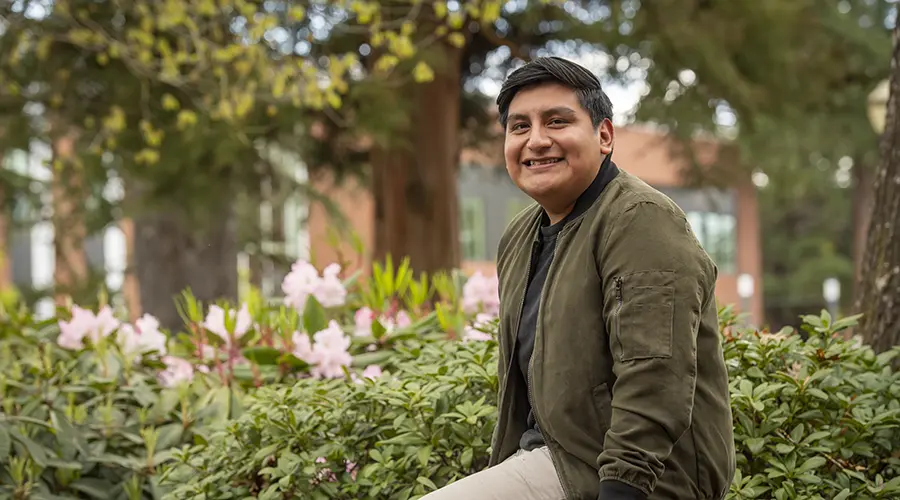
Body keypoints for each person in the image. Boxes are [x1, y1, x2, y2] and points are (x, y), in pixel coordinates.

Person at [422, 57, 735, 499]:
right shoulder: (521, 236)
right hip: (551, 459)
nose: (536, 140)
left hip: (641, 479)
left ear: (604, 135)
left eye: (557, 121)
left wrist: (622, 490)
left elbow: (654, 375)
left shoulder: (640, 220)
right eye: (519, 127)